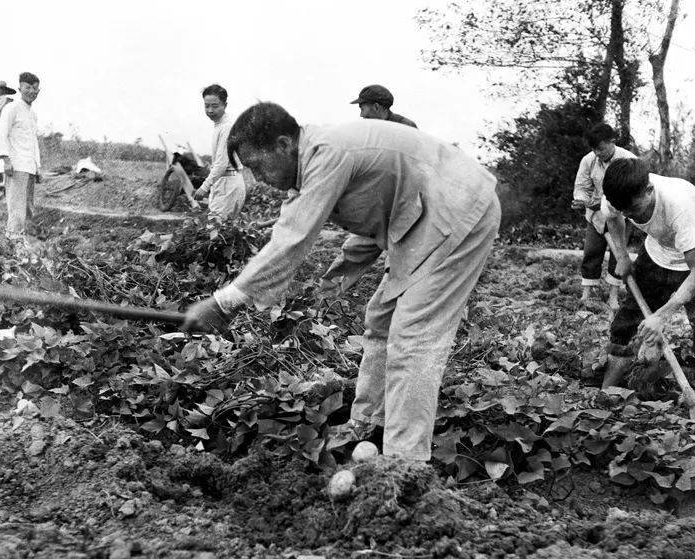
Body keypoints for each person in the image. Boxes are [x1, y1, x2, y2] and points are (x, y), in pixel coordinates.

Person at [181, 102, 500, 461]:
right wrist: (332, 284)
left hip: (458, 211)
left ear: (285, 144)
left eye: (257, 165)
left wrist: (223, 303)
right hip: (422, 217)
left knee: (414, 336)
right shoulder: (314, 162)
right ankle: (366, 424)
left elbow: (292, 238)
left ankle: (404, 463)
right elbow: (373, 214)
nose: (258, 177)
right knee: (381, 319)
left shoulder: (327, 154)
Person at [600, 158, 695, 403]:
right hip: (657, 255)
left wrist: (661, 316)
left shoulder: (678, 204)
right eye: (623, 210)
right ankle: (604, 396)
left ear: (650, 190)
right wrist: (621, 255)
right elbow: (612, 217)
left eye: (633, 209)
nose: (628, 215)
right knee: (625, 324)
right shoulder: (617, 196)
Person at [572, 123, 636, 308]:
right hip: (597, 216)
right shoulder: (588, 160)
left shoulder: (628, 160)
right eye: (593, 149)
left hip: (622, 215)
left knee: (618, 255)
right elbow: (582, 187)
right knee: (592, 251)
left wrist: (608, 203)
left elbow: (633, 191)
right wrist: (581, 201)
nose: (597, 153)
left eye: (600, 148)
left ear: (611, 141)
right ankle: (586, 294)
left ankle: (613, 296)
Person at [0, 72, 41, 240]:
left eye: (34, 88)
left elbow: (33, 141)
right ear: (20, 88)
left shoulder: (32, 114)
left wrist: (38, 166)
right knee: (16, 209)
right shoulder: (11, 108)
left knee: (29, 208)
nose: (31, 91)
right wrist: (5, 160)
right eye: (27, 87)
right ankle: (12, 246)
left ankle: (26, 245)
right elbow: (1, 134)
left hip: (29, 167)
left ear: (38, 91)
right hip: (15, 166)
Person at [192, 84, 246, 220]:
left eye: (215, 106)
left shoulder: (226, 128)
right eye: (206, 106)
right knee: (221, 232)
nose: (210, 110)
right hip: (224, 183)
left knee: (215, 230)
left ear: (225, 105)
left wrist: (204, 187)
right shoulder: (220, 126)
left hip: (228, 185)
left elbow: (221, 164)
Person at [350, 85, 417, 128]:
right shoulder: (369, 129)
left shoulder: (406, 127)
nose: (361, 115)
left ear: (376, 107)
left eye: (362, 109)